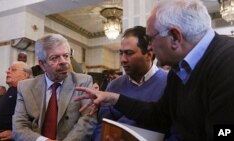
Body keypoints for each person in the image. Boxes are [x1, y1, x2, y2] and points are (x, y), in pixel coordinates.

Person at [75, 0, 234, 140]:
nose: (149, 47)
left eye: (150, 38)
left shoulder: (228, 63)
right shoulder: (178, 72)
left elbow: (224, 133)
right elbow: (159, 115)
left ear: (174, 36)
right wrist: (114, 98)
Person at [12, 34, 97, 141]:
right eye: (55, 58)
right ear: (42, 64)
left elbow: (87, 120)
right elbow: (19, 127)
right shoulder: (25, 87)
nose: (64, 62)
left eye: (66, 56)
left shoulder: (83, 82)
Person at [92, 26, 168, 141]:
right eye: (121, 53)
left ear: (149, 54)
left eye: (129, 53)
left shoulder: (170, 83)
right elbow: (102, 126)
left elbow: (176, 131)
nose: (122, 59)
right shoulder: (113, 86)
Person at [0, 61, 31, 140]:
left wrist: (15, 133)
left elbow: (35, 118)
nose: (7, 71)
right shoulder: (11, 89)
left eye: (13, 70)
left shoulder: (27, 90)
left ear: (25, 74)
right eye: (9, 69)